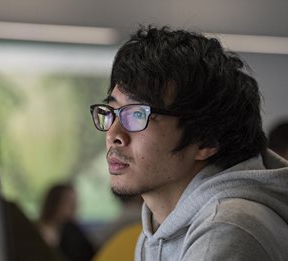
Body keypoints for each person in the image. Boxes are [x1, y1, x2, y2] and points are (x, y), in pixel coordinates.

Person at [89, 25, 288, 260]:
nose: (113, 134)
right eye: (112, 111)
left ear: (206, 139)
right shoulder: (156, 228)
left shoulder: (225, 229)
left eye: (137, 114)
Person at [37, 183, 95, 261]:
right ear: (54, 204)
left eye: (75, 203)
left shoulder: (73, 231)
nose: (74, 208)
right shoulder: (42, 231)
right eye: (68, 203)